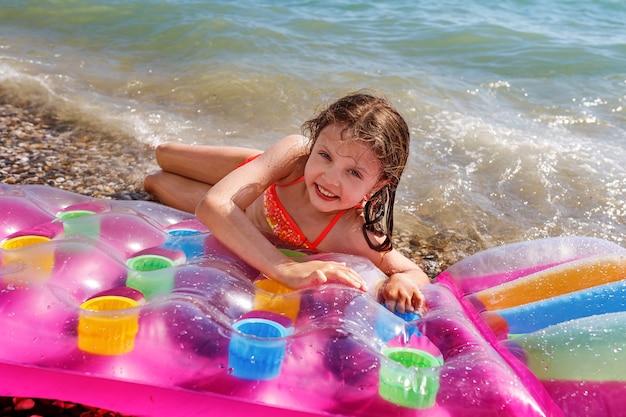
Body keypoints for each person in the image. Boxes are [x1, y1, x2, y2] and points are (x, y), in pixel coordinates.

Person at [144, 91, 430, 314]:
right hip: (261, 174)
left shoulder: (354, 233)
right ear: (314, 142)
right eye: (325, 155)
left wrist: (402, 281)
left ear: (379, 185)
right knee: (164, 154)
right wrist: (283, 267)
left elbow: (412, 271)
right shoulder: (296, 156)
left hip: (241, 217)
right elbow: (214, 204)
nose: (329, 178)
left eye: (354, 172)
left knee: (155, 181)